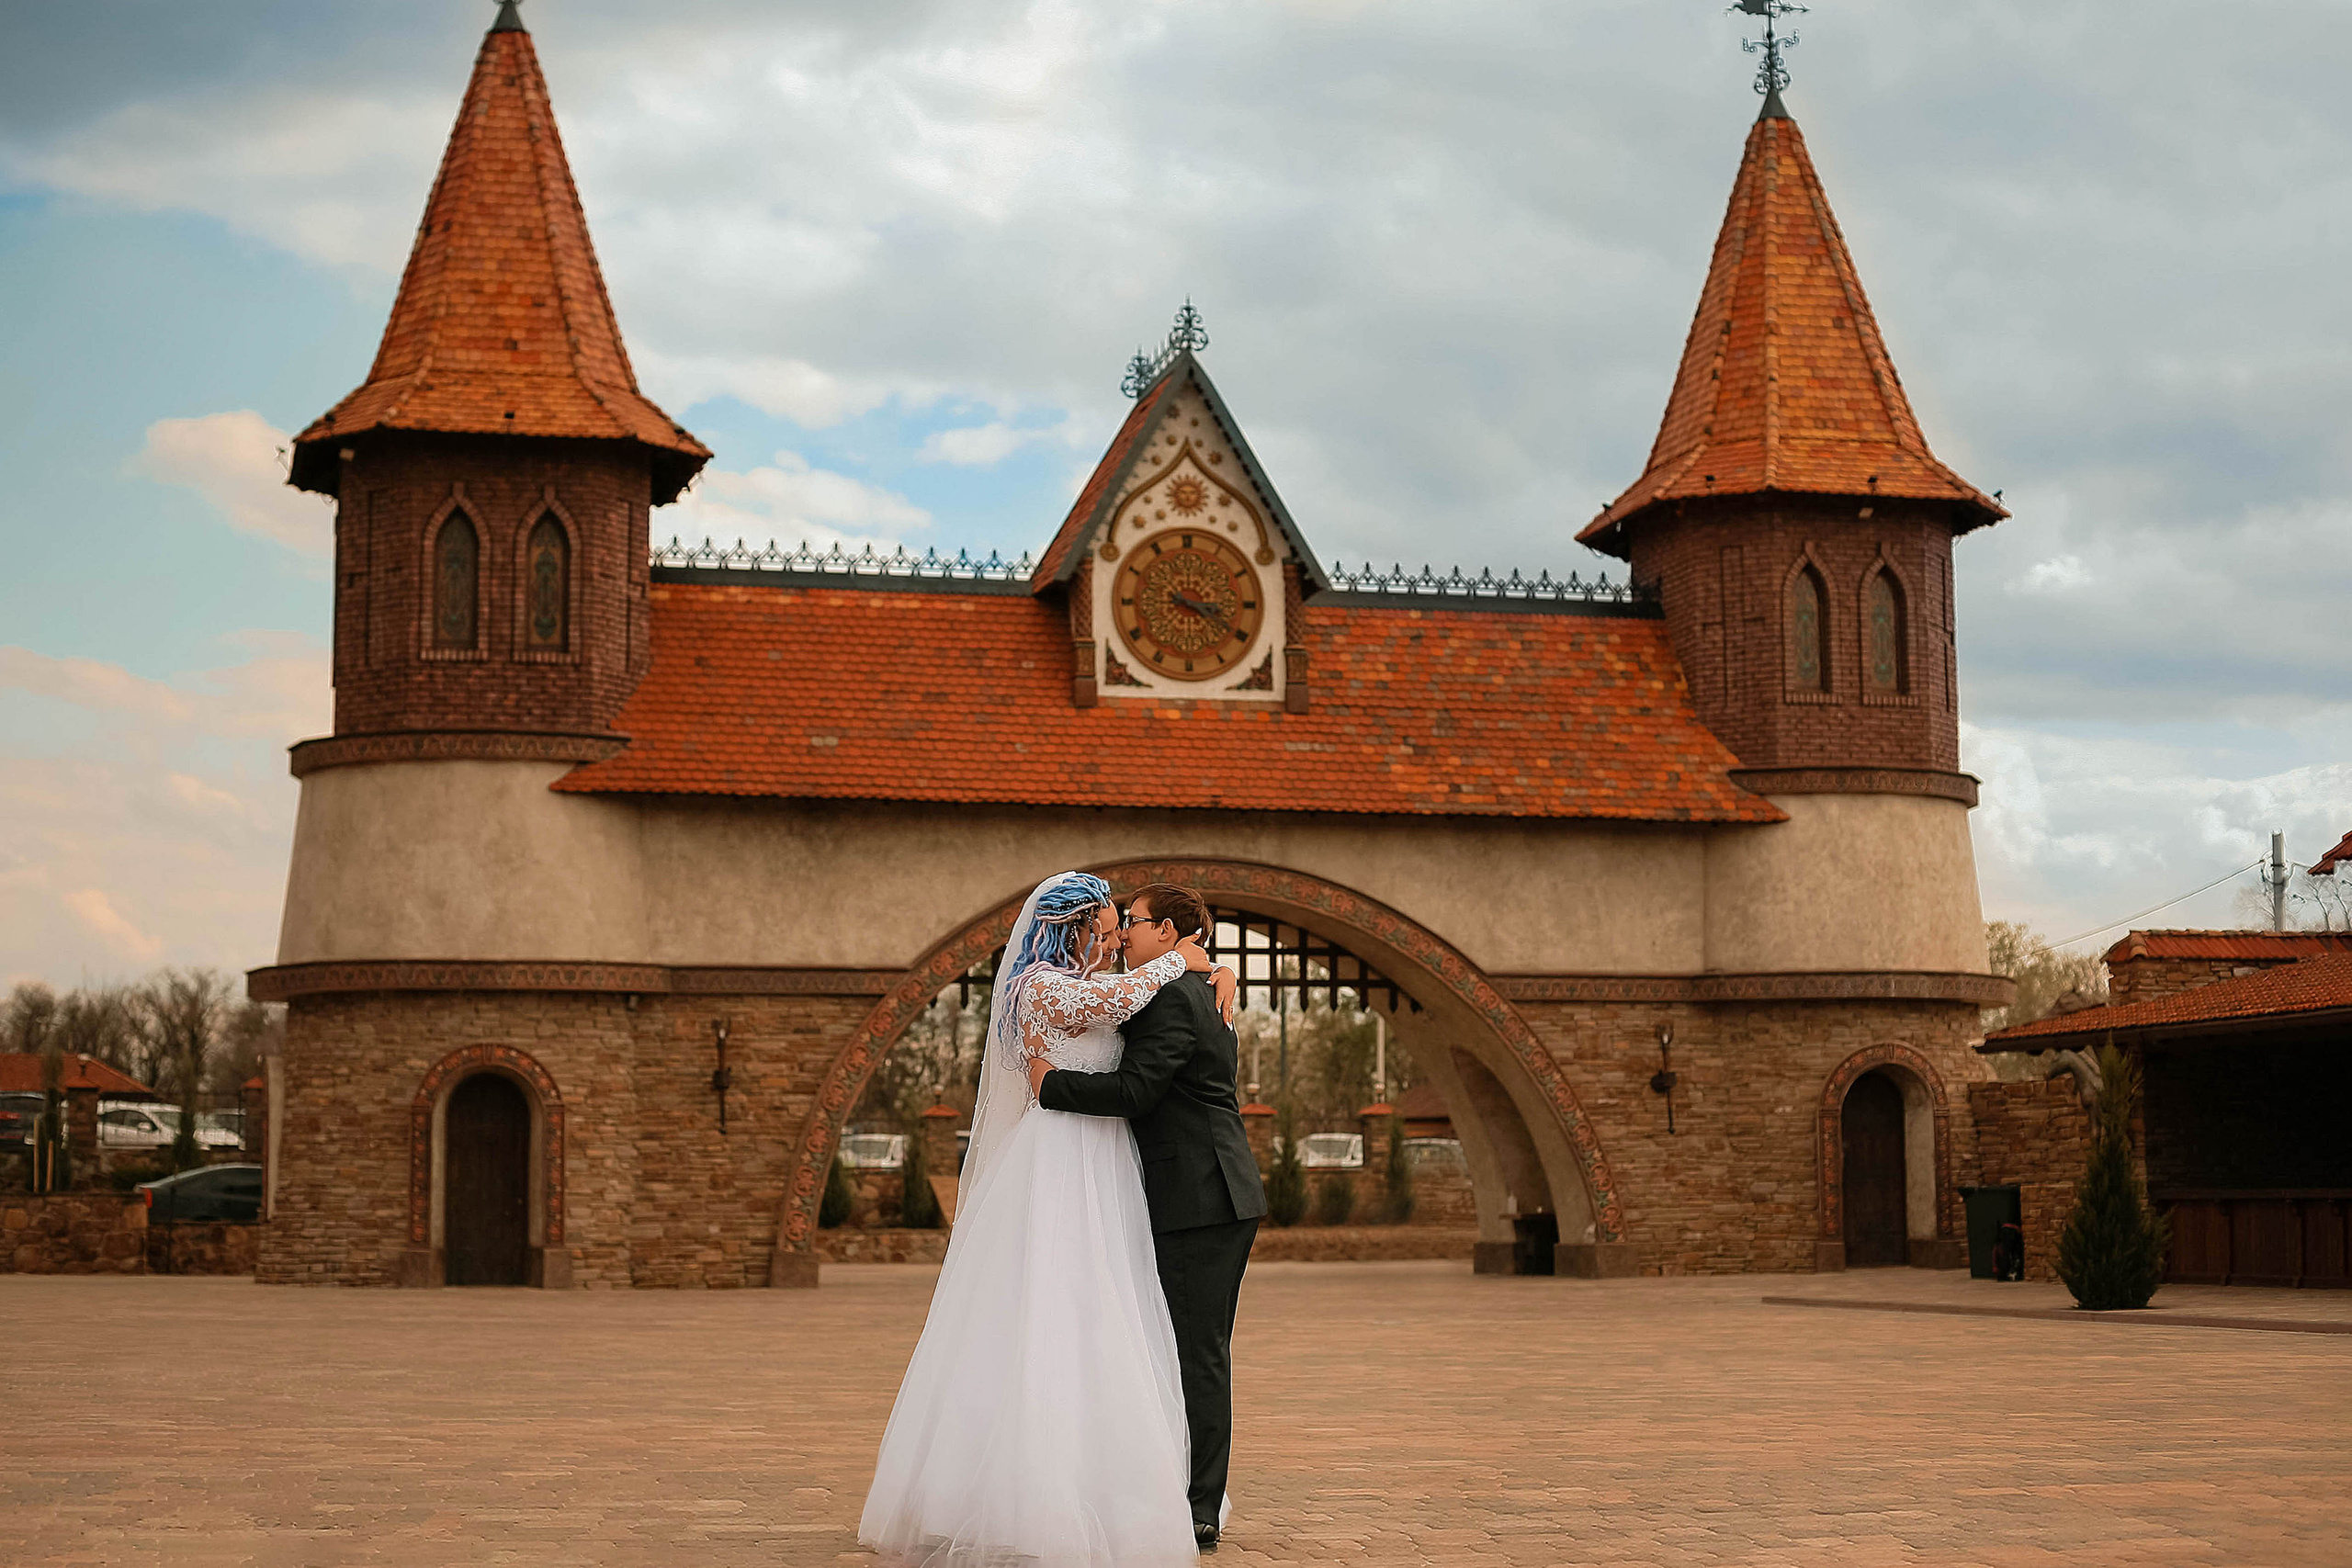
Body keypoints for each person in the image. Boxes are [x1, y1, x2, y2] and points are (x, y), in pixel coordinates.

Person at [859, 871, 1238, 1568]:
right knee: (1044, 1315)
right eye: (1099, 929)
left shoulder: (1108, 986)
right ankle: (1023, 1492)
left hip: (1108, 1166)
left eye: (1119, 926)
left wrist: (1211, 967)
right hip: (1057, 1164)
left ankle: (1121, 1482)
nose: (1112, 937)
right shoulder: (1040, 984)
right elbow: (1120, 998)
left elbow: (1136, 1020)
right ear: (1068, 930)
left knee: (1109, 1316)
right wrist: (1189, 961)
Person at [1031, 882, 1269, 1552]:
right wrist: (1214, 966)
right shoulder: (1190, 986)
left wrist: (1051, 1083)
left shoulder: (1173, 996)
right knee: (1185, 1349)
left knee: (1198, 1353)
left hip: (1201, 1197)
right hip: (1206, 1191)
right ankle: (1182, 1488)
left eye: (1132, 924)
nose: (1123, 936)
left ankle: (1200, 1506)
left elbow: (1137, 1090)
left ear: (1168, 931)